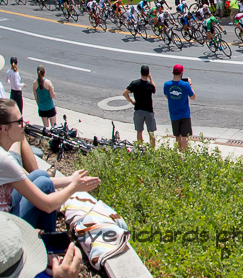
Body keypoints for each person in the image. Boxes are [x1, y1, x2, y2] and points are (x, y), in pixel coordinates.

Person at [0, 99, 100, 233]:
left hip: (5, 214)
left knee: (39, 175)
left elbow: (25, 181)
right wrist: (74, 187)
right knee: (45, 185)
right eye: (19, 122)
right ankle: (49, 244)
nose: (24, 124)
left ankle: (47, 236)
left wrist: (70, 179)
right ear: (4, 128)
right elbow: (47, 205)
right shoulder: (4, 160)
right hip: (7, 230)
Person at [123, 65, 157, 148]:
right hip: (149, 111)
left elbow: (125, 93)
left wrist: (132, 101)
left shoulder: (135, 83)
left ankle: (140, 148)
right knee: (151, 132)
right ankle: (152, 150)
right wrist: (151, 78)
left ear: (140, 72)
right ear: (148, 73)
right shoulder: (149, 85)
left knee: (139, 131)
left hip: (138, 110)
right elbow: (154, 89)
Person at [163, 64, 195, 152]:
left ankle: (179, 153)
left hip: (174, 114)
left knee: (177, 135)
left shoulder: (167, 85)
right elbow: (193, 97)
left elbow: (166, 96)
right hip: (184, 114)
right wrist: (190, 84)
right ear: (181, 73)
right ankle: (184, 154)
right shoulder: (185, 85)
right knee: (184, 136)